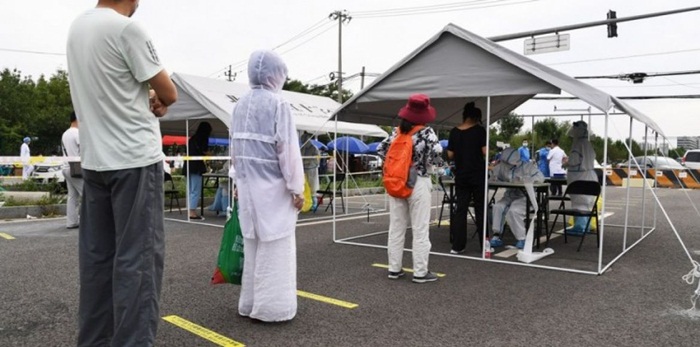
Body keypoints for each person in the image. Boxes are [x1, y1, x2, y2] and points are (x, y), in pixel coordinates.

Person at [66, 1, 178, 345]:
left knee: (98, 263)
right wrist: (158, 99)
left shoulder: (77, 28)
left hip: (96, 160)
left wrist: (148, 95)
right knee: (138, 263)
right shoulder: (126, 28)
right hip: (134, 159)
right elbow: (169, 92)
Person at [230, 50, 304, 322]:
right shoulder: (279, 105)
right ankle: (273, 309)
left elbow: (235, 150)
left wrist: (238, 180)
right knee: (277, 247)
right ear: (277, 75)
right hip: (274, 189)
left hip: (248, 187)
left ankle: (249, 303)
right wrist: (297, 188)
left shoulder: (238, 105)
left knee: (252, 245)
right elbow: (288, 150)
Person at [377, 93, 443, 283]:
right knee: (420, 229)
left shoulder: (397, 132)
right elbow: (436, 156)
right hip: (419, 183)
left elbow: (380, 150)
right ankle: (420, 272)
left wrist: (397, 167)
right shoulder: (427, 133)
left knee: (396, 228)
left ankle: (394, 269)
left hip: (397, 182)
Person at [447, 102, 487, 254]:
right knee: (480, 208)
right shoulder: (479, 131)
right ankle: (484, 245)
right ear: (476, 117)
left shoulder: (454, 132)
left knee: (460, 210)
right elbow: (484, 151)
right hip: (477, 174)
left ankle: (458, 245)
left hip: (461, 175)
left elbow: (450, 154)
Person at [489, 147, 545, 249]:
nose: (507, 165)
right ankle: (496, 235)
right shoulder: (502, 166)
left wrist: (526, 180)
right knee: (498, 207)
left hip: (526, 197)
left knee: (514, 211)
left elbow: (540, 178)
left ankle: (521, 238)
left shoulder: (528, 167)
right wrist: (493, 178)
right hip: (510, 195)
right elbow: (493, 177)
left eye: (509, 162)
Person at [565, 121, 598, 235]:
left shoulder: (578, 144)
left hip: (579, 177)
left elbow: (574, 160)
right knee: (586, 202)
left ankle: (580, 227)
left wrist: (566, 163)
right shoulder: (587, 144)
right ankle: (586, 226)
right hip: (589, 177)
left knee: (579, 202)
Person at [186, 121, 212, 219]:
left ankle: (189, 210)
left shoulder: (192, 139)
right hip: (196, 166)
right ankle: (192, 212)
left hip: (188, 165)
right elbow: (204, 151)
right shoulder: (203, 138)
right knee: (195, 190)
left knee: (190, 189)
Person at [61, 112, 82, 229]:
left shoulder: (65, 134)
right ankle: (90, 222)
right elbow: (83, 150)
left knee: (72, 196)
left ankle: (71, 221)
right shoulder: (78, 133)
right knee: (88, 194)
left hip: (66, 167)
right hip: (77, 168)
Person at [300, 132, 320, 210]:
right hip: (304, 170)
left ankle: (314, 203)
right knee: (305, 186)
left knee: (312, 187)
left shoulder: (314, 148)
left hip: (311, 170)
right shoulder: (302, 148)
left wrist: (307, 162)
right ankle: (306, 203)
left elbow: (316, 160)